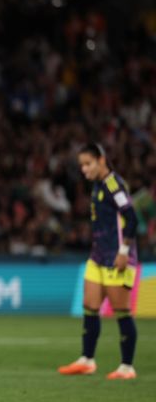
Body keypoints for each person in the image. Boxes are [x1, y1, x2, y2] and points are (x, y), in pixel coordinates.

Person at [58, 143, 139, 380]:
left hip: (117, 256)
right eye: (81, 164)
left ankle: (127, 367)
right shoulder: (98, 185)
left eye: (87, 163)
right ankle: (87, 360)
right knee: (89, 305)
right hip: (97, 256)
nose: (83, 169)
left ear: (101, 160)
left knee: (121, 311)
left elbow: (132, 218)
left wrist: (124, 251)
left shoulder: (114, 184)